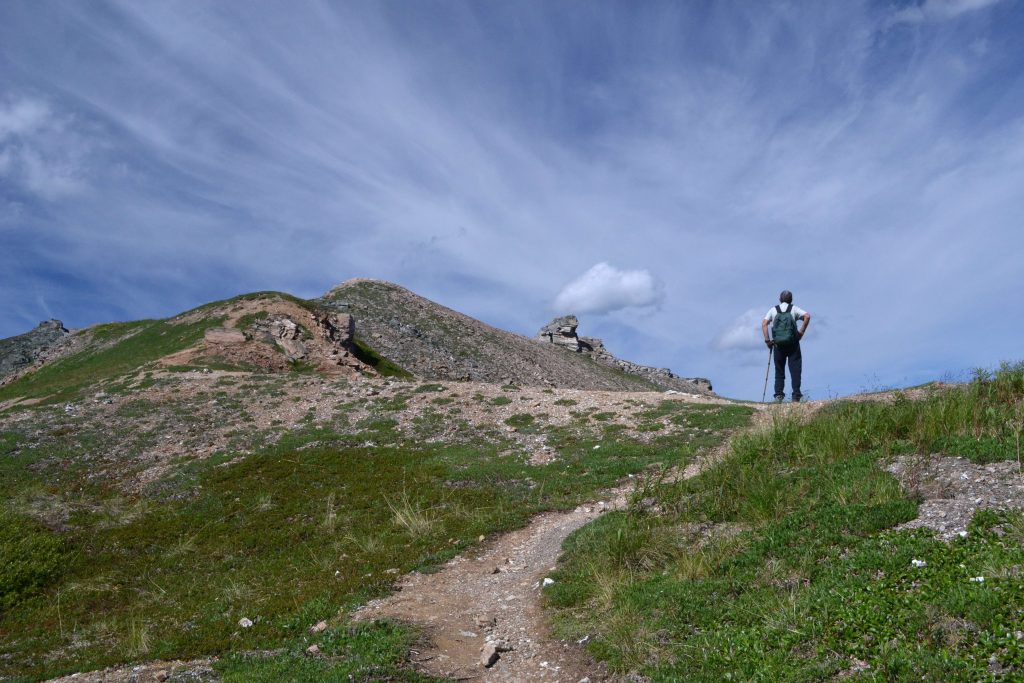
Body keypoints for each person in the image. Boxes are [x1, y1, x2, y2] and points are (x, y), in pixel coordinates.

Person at [761, 290, 811, 403]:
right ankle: (796, 396)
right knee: (795, 371)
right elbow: (807, 316)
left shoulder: (773, 310)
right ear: (791, 299)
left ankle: (778, 396)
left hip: (778, 345)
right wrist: (801, 332)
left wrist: (767, 341)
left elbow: (764, 323)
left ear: (779, 299)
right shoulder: (794, 309)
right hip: (793, 344)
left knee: (779, 371)